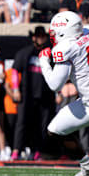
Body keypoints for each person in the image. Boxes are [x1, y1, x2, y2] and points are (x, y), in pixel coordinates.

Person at [38, 10, 89, 176]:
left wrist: (44, 63)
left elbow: (55, 85)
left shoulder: (66, 47)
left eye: (54, 32)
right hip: (87, 101)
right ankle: (88, 165)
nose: (52, 35)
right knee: (55, 130)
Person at [11, 26, 56, 160]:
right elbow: (15, 71)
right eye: (38, 36)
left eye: (43, 36)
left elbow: (59, 74)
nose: (41, 38)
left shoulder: (51, 54)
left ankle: (36, 151)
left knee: (42, 125)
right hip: (27, 94)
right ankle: (16, 151)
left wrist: (58, 93)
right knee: (22, 123)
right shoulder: (25, 53)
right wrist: (15, 89)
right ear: (33, 37)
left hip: (45, 95)